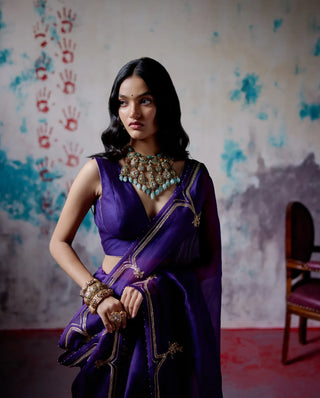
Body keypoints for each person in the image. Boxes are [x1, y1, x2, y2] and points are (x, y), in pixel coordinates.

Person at [49, 57, 222, 398]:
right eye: (123, 103)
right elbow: (59, 242)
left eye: (145, 101)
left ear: (164, 105)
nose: (133, 113)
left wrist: (155, 286)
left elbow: (207, 262)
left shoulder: (195, 177)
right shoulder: (98, 170)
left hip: (175, 318)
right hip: (115, 313)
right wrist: (98, 298)